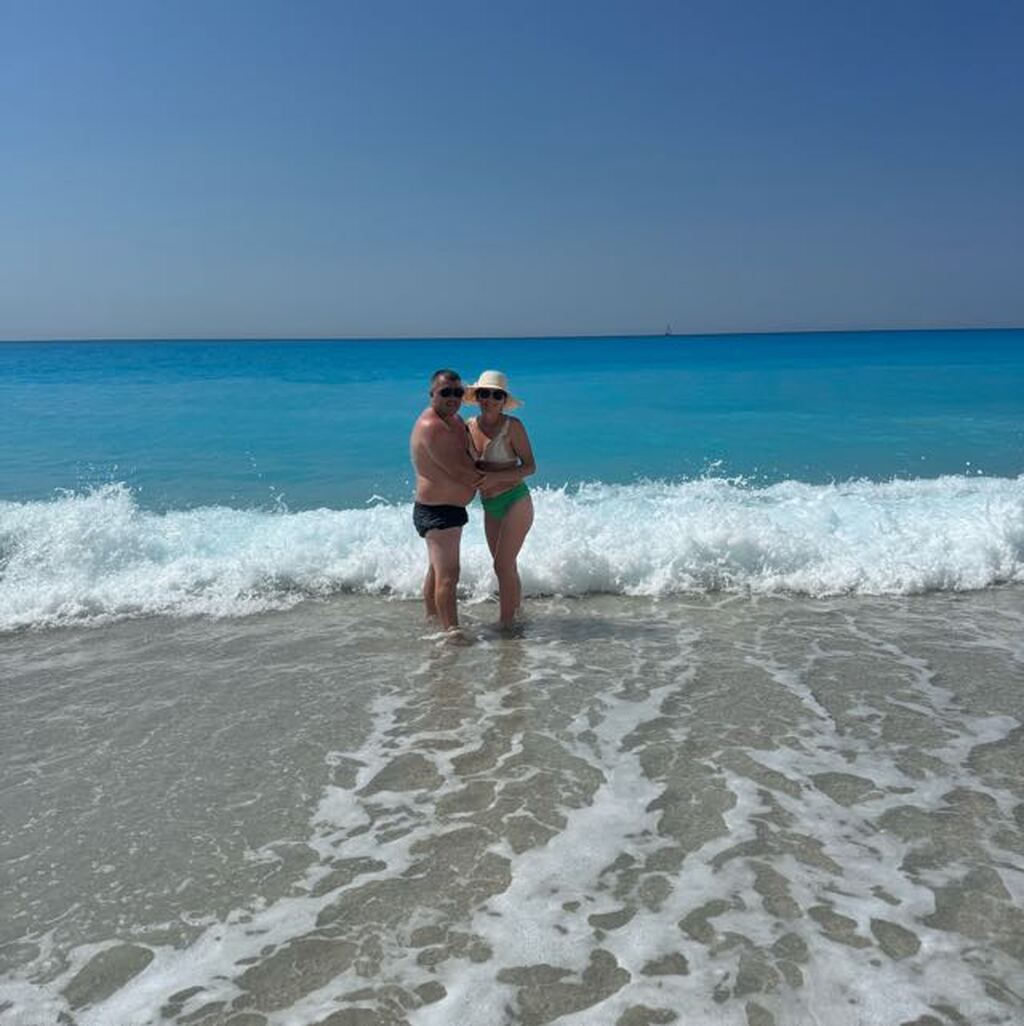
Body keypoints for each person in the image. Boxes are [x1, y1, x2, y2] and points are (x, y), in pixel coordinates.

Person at [409, 369, 485, 632]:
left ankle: (433, 620)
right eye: (445, 392)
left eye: (458, 392)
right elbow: (461, 471)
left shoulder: (454, 420)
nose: (453, 397)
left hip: (447, 509)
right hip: (437, 511)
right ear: (432, 394)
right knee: (449, 576)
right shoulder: (432, 426)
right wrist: (507, 477)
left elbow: (468, 455)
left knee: (436, 570)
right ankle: (452, 633)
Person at [465, 370, 536, 628]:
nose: (490, 399)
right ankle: (517, 616)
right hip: (490, 505)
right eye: (484, 393)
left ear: (504, 400)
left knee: (502, 564)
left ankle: (506, 626)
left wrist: (495, 478)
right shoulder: (468, 427)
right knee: (506, 566)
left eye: (497, 395)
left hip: (516, 499)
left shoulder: (512, 427)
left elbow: (530, 467)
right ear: (477, 397)